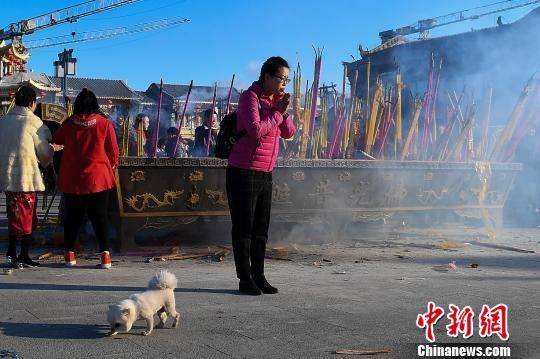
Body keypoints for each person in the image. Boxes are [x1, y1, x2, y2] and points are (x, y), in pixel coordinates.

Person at [226, 56, 296, 295]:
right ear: (267, 76)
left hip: (266, 171)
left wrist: (283, 113)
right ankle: (244, 279)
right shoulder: (250, 97)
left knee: (261, 230)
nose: (284, 84)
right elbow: (255, 131)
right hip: (243, 171)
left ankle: (259, 275)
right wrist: (277, 113)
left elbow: (289, 133)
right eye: (281, 79)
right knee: (244, 228)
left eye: (287, 80)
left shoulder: (276, 102)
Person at [53, 88, 119, 269]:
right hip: (98, 178)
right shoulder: (104, 124)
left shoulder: (68, 124)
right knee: (100, 217)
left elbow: (57, 138)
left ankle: (69, 255)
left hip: (73, 178)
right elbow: (113, 152)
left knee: (72, 217)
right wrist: (110, 167)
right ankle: (105, 256)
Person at [0, 86, 58, 268]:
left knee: (12, 213)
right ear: (32, 103)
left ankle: (11, 250)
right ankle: (23, 253)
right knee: (27, 215)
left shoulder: (3, 121)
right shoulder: (33, 122)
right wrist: (53, 150)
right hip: (26, 175)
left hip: (8, 175)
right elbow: (44, 153)